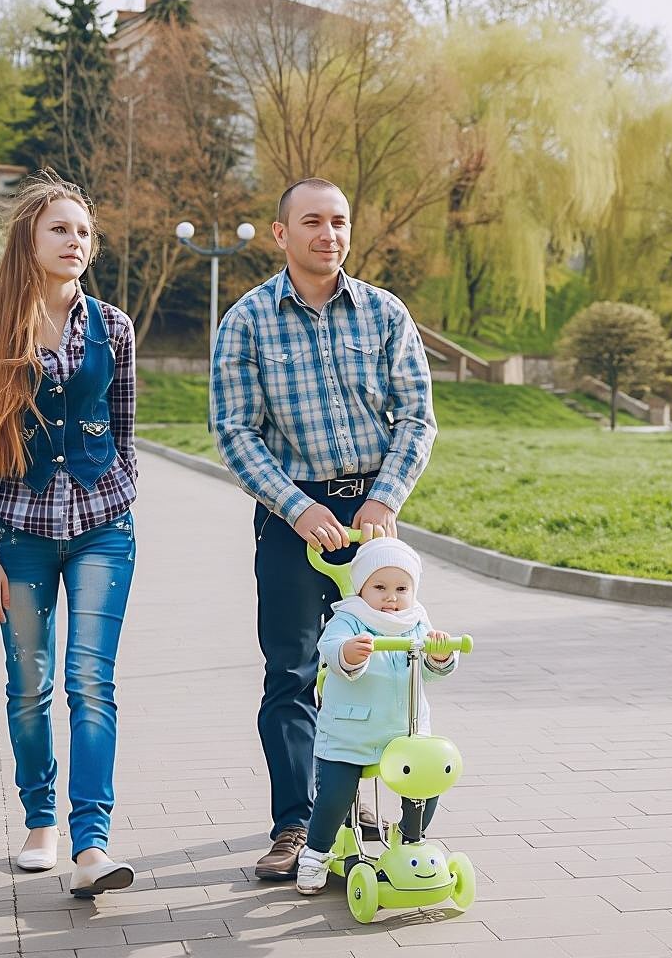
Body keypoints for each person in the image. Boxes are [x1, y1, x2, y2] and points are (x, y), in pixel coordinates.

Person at [211, 176, 437, 881]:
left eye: (339, 221)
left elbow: (417, 416)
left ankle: (371, 800)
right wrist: (297, 508)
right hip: (290, 514)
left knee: (382, 660)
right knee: (292, 669)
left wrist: (383, 497)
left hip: (374, 516)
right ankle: (295, 825)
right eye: (312, 221)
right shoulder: (247, 320)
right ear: (281, 234)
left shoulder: (385, 314)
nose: (328, 234)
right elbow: (235, 431)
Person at [0, 173, 138, 899]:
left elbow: (124, 433)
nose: (76, 243)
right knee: (30, 686)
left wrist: (119, 498)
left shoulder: (115, 328)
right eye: (61, 230)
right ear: (28, 240)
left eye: (84, 232)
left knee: (92, 682)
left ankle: (92, 844)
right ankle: (40, 824)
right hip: (20, 534)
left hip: (102, 531)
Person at [296, 537, 458, 895]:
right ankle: (317, 850)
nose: (391, 597)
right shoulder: (350, 619)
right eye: (380, 587)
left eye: (402, 588)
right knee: (336, 793)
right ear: (361, 587)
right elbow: (330, 649)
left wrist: (441, 655)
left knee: (426, 781)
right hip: (351, 733)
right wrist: (350, 654)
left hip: (406, 732)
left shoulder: (416, 620)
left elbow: (428, 672)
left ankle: (411, 838)